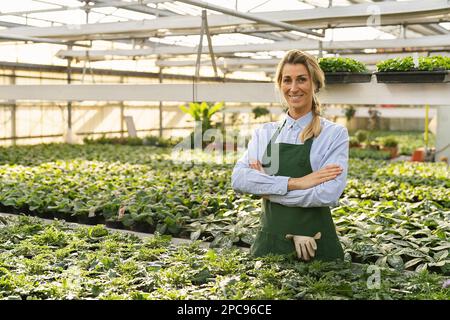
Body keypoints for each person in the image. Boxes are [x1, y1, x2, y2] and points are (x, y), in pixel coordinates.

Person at [231, 50, 349, 262]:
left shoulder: (333, 134)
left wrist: (266, 190)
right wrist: (297, 183)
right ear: (280, 85)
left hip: (316, 244)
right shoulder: (264, 132)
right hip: (270, 241)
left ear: (315, 84)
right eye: (287, 80)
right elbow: (239, 179)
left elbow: (327, 194)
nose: (293, 88)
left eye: (301, 79)